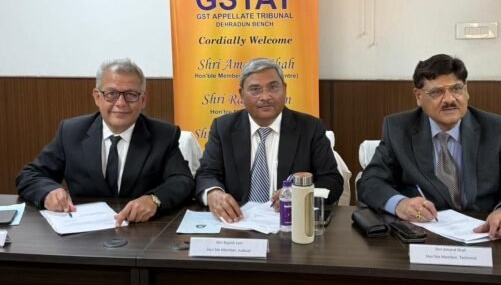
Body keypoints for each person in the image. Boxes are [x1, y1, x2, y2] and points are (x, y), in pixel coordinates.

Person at [357, 54, 501, 241]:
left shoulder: (496, 129)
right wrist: (400, 204)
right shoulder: (398, 129)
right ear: (419, 96)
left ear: (466, 90)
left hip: (486, 234)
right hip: (423, 237)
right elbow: (370, 182)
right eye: (437, 92)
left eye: (456, 89)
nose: (449, 99)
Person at [16, 58, 194, 226]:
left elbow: (182, 180)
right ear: (97, 97)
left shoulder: (163, 135)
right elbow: (30, 175)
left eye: (131, 94)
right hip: (83, 232)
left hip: (142, 231)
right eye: (111, 94)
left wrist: (154, 199)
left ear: (143, 100)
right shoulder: (71, 132)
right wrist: (47, 192)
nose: (121, 103)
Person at [195, 58, 343, 223]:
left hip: (289, 223)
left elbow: (332, 181)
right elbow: (206, 174)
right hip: (237, 223)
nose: (265, 97)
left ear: (284, 89)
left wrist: (302, 195)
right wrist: (213, 193)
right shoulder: (223, 128)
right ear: (241, 94)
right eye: (255, 89)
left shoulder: (310, 128)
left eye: (273, 87)